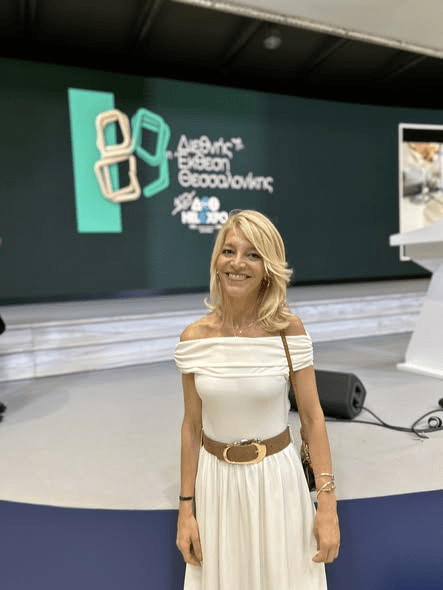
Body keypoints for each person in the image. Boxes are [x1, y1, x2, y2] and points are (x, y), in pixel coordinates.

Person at [175, 210, 340, 590]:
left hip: (278, 483)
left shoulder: (288, 331)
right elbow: (192, 427)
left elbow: (313, 419)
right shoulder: (194, 338)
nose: (237, 263)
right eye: (228, 251)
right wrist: (186, 511)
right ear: (216, 259)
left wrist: (327, 507)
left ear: (268, 267)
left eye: (252, 255)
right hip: (216, 487)